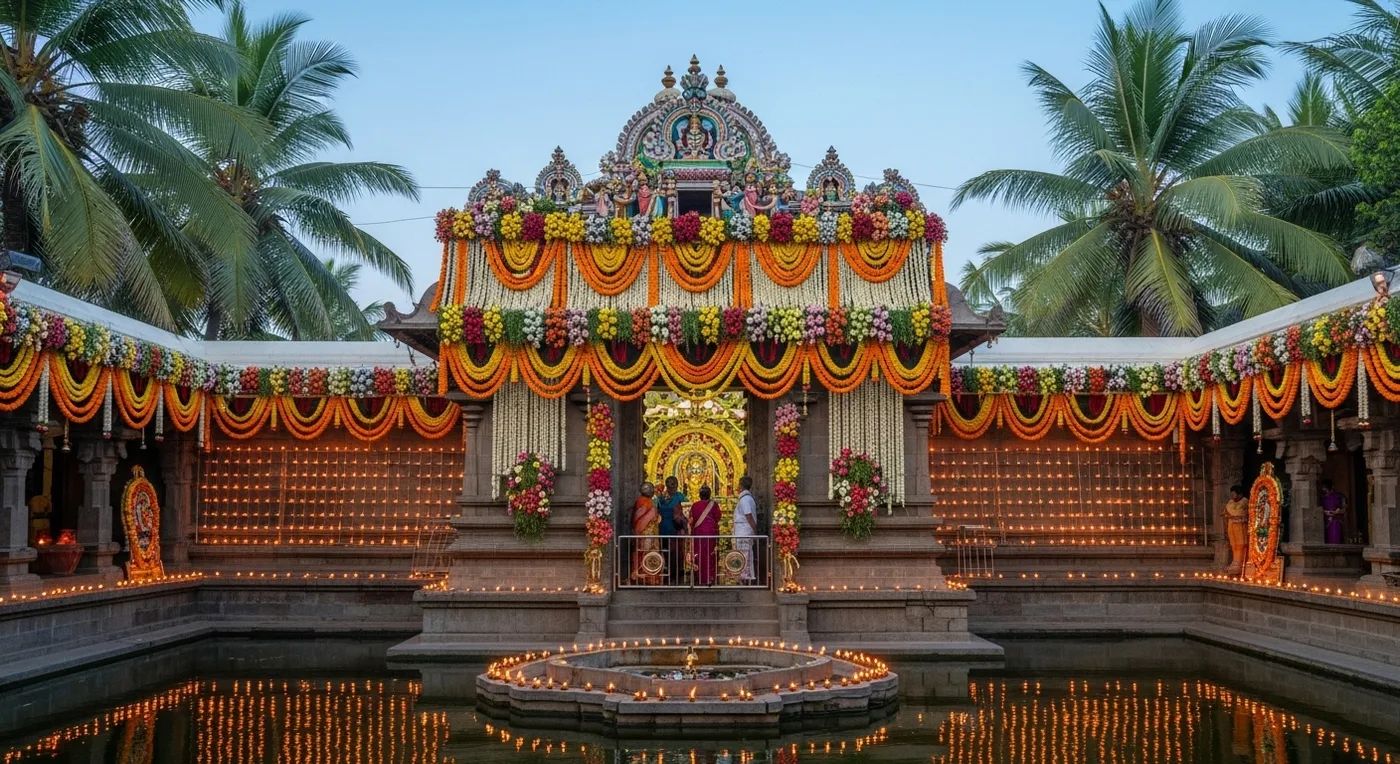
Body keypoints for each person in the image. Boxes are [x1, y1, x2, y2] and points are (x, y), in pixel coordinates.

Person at [687, 486, 721, 586]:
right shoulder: (714, 505)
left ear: (699, 495)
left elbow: (691, 519)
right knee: (710, 555)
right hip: (711, 533)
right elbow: (718, 517)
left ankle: (700, 577)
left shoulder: (695, 505)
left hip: (699, 533)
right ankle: (710, 577)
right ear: (709, 494)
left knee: (699, 555)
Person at [656, 476, 688, 584]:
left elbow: (686, 510)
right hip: (665, 526)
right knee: (665, 549)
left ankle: (676, 571)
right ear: (666, 485)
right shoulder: (660, 497)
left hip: (676, 527)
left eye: (673, 484)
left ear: (677, 485)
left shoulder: (680, 497)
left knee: (677, 551)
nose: (672, 486)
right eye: (670, 484)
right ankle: (666, 569)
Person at [630, 482, 662, 585]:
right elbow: (650, 519)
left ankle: (642, 577)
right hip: (649, 535)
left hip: (644, 534)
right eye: (652, 489)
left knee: (643, 554)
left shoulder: (640, 502)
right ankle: (649, 578)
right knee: (648, 555)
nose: (653, 491)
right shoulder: (647, 503)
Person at [733, 476, 759, 584]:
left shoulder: (745, 499)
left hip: (744, 530)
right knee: (743, 554)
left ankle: (744, 578)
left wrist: (755, 530)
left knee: (744, 555)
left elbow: (748, 515)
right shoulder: (746, 498)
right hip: (743, 529)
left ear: (741, 486)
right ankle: (743, 577)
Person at [1224, 484, 1248, 575]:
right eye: (1232, 494)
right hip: (1232, 526)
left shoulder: (1245, 501)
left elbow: (1239, 512)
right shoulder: (1230, 502)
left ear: (1240, 494)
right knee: (1234, 545)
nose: (1232, 496)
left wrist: (1232, 513)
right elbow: (1229, 510)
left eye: (1234, 494)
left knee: (1241, 544)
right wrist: (1233, 513)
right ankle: (1235, 562)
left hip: (1240, 526)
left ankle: (1240, 563)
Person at [1321, 479, 1347, 545]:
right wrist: (1325, 512)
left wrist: (1336, 512)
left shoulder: (1339, 496)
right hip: (1325, 521)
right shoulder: (1322, 498)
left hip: (1336, 520)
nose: (1326, 491)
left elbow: (1344, 509)